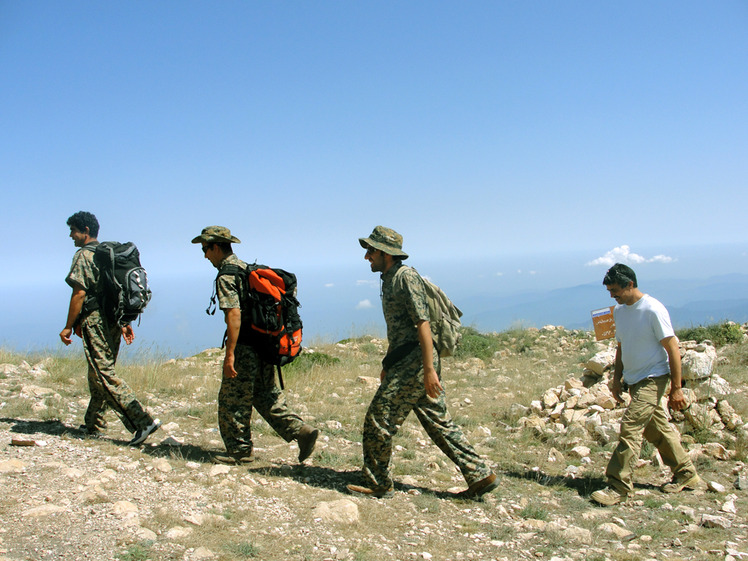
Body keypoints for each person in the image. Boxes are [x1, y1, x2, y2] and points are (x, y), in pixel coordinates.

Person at [347, 226, 498, 499]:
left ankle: (378, 482)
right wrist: (388, 363)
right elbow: (400, 329)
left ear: (385, 253)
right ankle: (480, 474)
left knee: (378, 420)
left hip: (415, 363)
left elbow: (422, 324)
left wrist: (429, 370)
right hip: (405, 361)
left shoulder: (405, 278)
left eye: (371, 250)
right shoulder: (389, 277)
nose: (367, 256)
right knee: (437, 422)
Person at [192, 226, 318, 465]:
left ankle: (239, 451)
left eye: (205, 249)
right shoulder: (246, 269)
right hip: (265, 344)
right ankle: (301, 432)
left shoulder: (227, 275)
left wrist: (230, 355)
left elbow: (234, 315)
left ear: (216, 247)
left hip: (246, 347)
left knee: (232, 399)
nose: (205, 255)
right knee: (265, 395)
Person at [591, 263, 701, 506]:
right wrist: (617, 378)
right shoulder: (620, 311)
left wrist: (677, 388)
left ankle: (618, 487)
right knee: (656, 429)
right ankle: (686, 474)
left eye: (615, 289)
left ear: (630, 284)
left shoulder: (652, 309)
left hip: (653, 378)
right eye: (609, 290)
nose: (612, 295)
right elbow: (622, 346)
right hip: (634, 379)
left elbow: (672, 348)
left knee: (630, 426)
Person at [60, 211, 161, 446]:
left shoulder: (84, 256)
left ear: (85, 230)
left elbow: (79, 293)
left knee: (104, 373)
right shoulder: (106, 254)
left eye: (73, 230)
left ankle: (142, 422)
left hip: (95, 320)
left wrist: (67, 326)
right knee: (99, 373)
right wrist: (124, 323)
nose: (71, 235)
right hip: (112, 319)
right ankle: (94, 424)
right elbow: (113, 292)